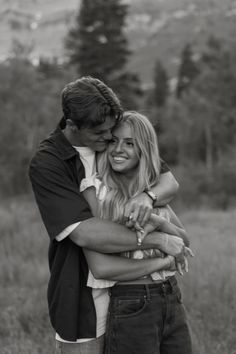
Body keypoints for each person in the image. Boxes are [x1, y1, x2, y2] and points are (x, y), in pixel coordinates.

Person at [29, 76, 187, 354]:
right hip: (81, 295)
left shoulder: (114, 147)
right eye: (102, 133)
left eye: (112, 131)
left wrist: (146, 197)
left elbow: (168, 181)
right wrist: (159, 242)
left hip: (135, 295)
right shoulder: (49, 162)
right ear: (72, 124)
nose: (108, 139)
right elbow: (85, 233)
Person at [82, 111, 193, 354]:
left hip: (171, 295)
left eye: (130, 143)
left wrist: (158, 222)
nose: (118, 149)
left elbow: (184, 243)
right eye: (114, 141)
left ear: (144, 149)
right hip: (131, 300)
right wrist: (164, 258)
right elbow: (102, 268)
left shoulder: (150, 194)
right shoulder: (96, 192)